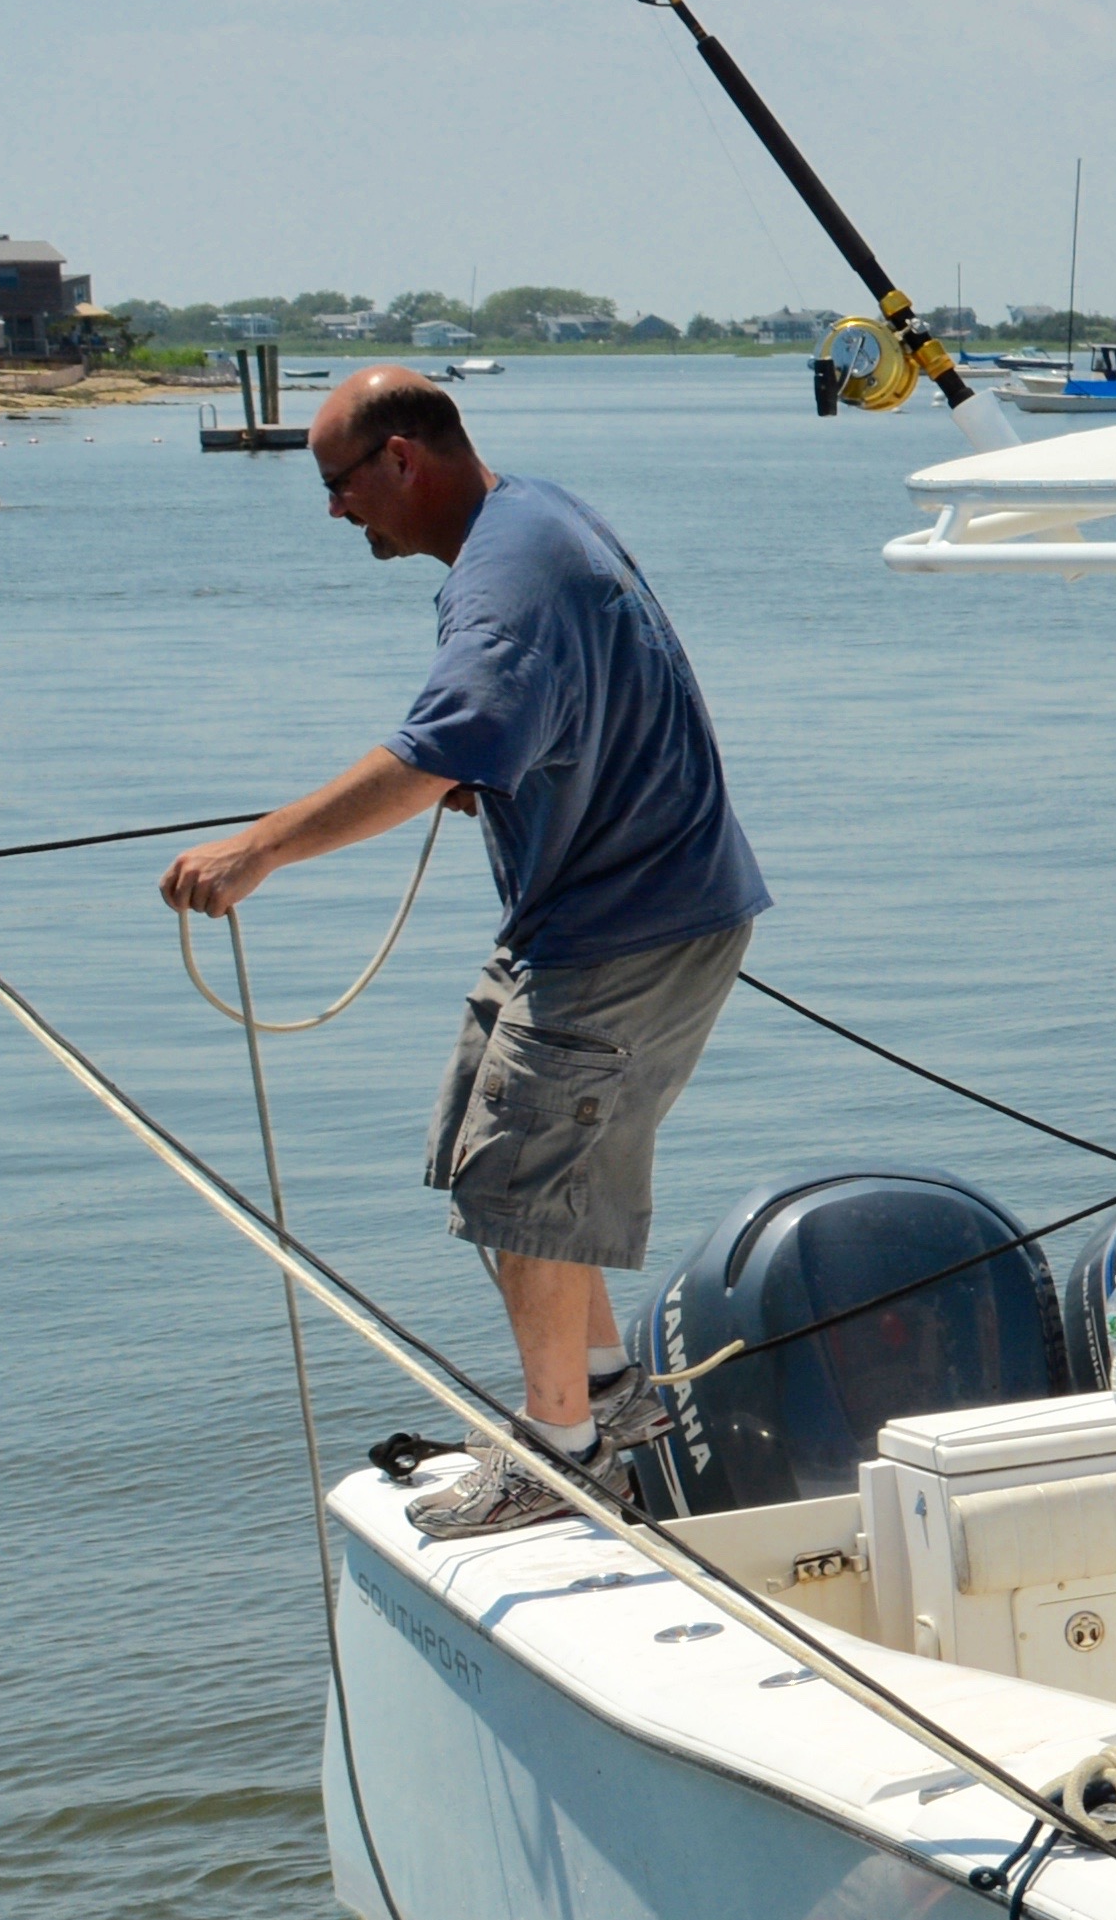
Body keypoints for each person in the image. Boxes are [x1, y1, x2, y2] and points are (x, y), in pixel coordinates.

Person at [163, 370, 766, 1541]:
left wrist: (254, 853)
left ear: (401, 459)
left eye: (339, 485)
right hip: (605, 911)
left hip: (628, 922)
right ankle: (598, 1398)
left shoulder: (504, 579)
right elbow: (525, 722)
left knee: (528, 1186)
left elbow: (432, 751)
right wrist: (508, 768)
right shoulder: (528, 518)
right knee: (489, 1163)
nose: (337, 513)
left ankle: (557, 1460)